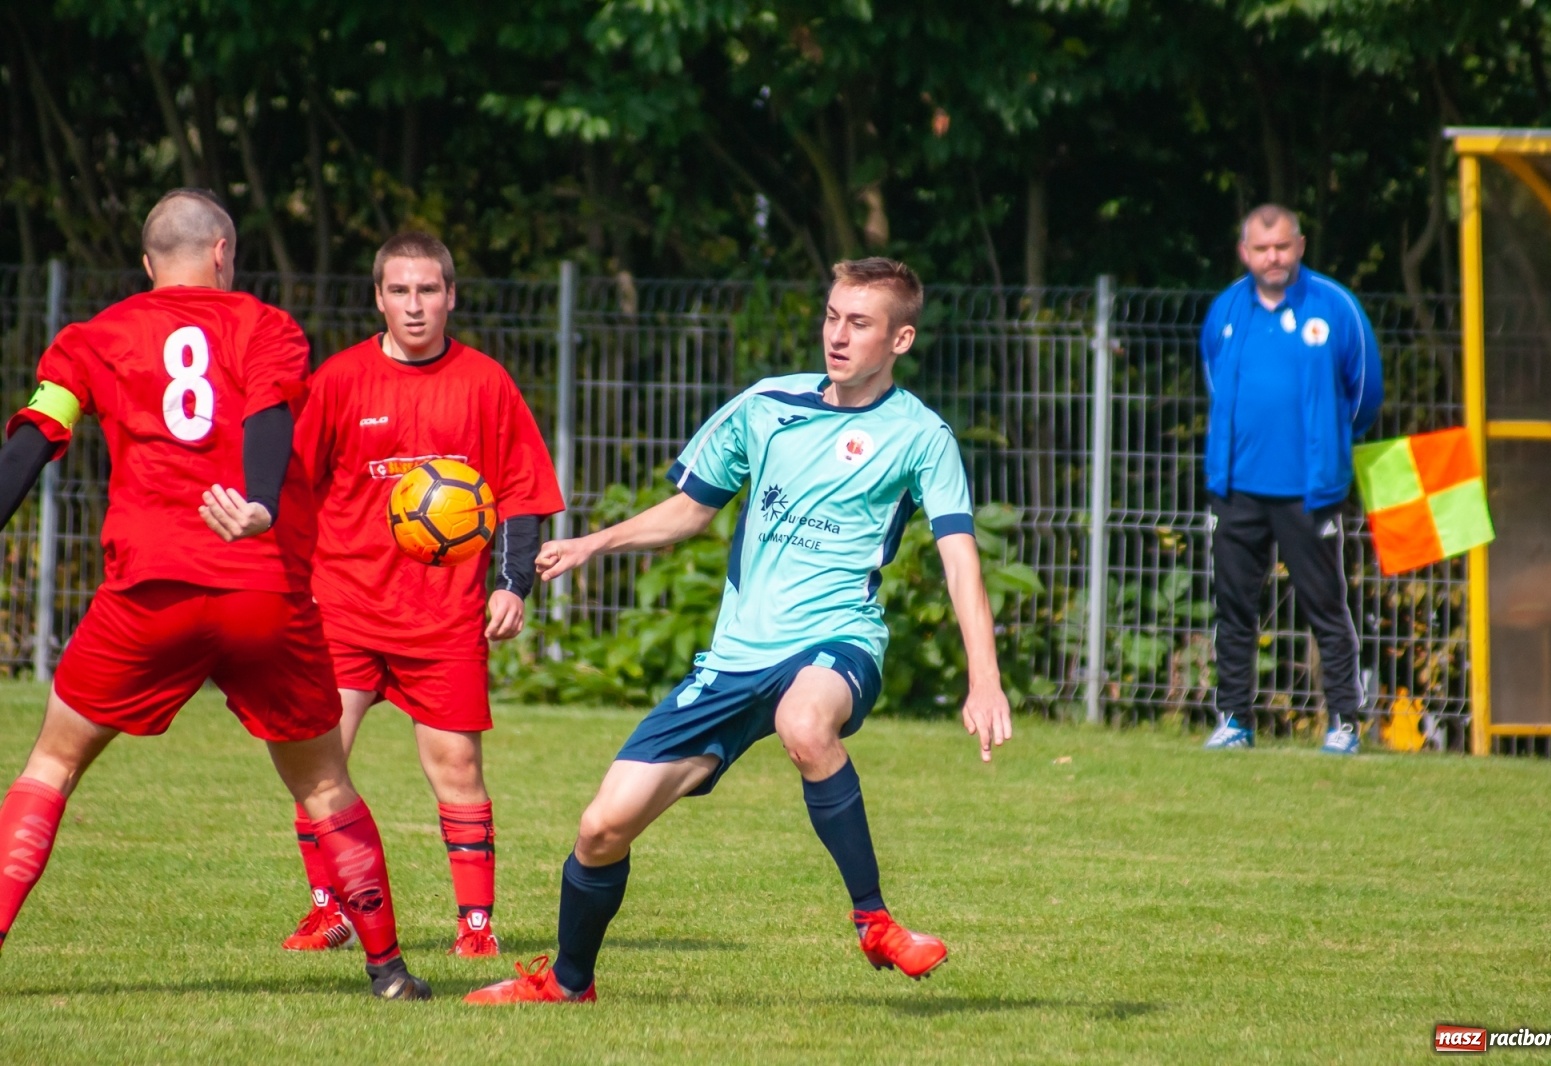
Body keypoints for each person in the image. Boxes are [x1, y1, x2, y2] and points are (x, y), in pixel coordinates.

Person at [464, 256, 1013, 1005]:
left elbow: (959, 561)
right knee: (600, 829)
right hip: (732, 662)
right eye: (831, 317)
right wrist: (597, 543)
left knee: (805, 722)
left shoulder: (922, 437)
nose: (838, 335)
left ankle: (875, 920)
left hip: (835, 639)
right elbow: (691, 511)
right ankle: (568, 982)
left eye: (859, 323)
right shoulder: (764, 406)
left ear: (901, 339)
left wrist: (984, 679)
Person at [0, 189, 430, 999]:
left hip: (149, 592)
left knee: (50, 765)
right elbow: (269, 416)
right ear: (223, 252)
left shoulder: (93, 339)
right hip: (259, 589)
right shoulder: (265, 327)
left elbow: (34, 441)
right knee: (324, 782)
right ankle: (388, 971)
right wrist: (259, 503)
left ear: (147, 263)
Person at [277, 232, 563, 958]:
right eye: (399, 290)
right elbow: (295, 491)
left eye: (428, 290)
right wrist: (288, 587)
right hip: (343, 605)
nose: (414, 304)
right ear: (378, 297)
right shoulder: (339, 379)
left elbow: (522, 492)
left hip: (443, 616)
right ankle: (329, 910)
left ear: (451, 296)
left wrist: (514, 583)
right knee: (320, 763)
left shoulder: (485, 383)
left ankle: (476, 928)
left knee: (459, 769)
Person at [1199, 203, 1383, 755]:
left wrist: (1327, 446)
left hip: (1311, 490)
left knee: (1327, 608)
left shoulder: (1335, 307)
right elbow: (1214, 377)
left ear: (1299, 246)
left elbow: (1365, 392)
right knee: (1235, 608)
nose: (1273, 257)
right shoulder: (1225, 311)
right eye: (1262, 248)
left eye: (1282, 246)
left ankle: (1344, 725)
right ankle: (1234, 721)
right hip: (1236, 488)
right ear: (1244, 253)